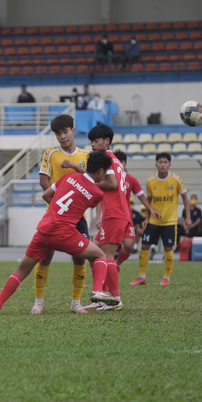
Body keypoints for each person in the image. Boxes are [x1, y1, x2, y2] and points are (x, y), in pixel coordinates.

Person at [0, 151, 116, 315]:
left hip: (44, 230)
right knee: (99, 255)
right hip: (65, 234)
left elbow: (46, 195)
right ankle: (96, 292)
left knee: (21, 270)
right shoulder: (97, 193)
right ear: (101, 171)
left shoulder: (68, 177)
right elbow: (86, 198)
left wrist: (56, 210)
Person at [31, 114, 90, 315]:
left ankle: (76, 302)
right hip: (54, 214)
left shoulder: (85, 156)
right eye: (58, 134)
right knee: (45, 257)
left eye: (65, 132)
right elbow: (43, 181)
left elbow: (90, 184)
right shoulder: (51, 153)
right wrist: (57, 204)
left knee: (80, 258)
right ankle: (38, 302)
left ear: (73, 131)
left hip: (77, 217)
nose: (62, 136)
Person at [86, 124, 131, 310]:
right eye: (91, 142)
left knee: (107, 256)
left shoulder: (108, 159)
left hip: (115, 212)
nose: (93, 145)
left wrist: (90, 182)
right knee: (94, 253)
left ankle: (115, 299)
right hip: (115, 213)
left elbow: (111, 184)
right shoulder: (115, 160)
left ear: (107, 141)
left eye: (96, 141)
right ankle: (104, 297)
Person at [129, 152, 189, 287]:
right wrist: (147, 218)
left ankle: (166, 277)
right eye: (160, 162)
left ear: (169, 164)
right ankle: (141, 276)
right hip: (153, 222)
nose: (163, 164)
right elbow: (149, 201)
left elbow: (185, 198)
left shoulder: (176, 180)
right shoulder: (151, 181)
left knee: (168, 248)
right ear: (156, 164)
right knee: (144, 246)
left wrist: (188, 217)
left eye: (165, 162)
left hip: (169, 222)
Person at [113, 150, 160, 270]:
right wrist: (99, 216)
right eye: (116, 162)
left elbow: (141, 196)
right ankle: (105, 274)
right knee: (108, 248)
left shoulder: (131, 179)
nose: (119, 164)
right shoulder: (108, 179)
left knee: (129, 246)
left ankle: (116, 264)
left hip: (126, 218)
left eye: (121, 162)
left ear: (125, 164)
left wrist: (151, 209)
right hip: (111, 218)